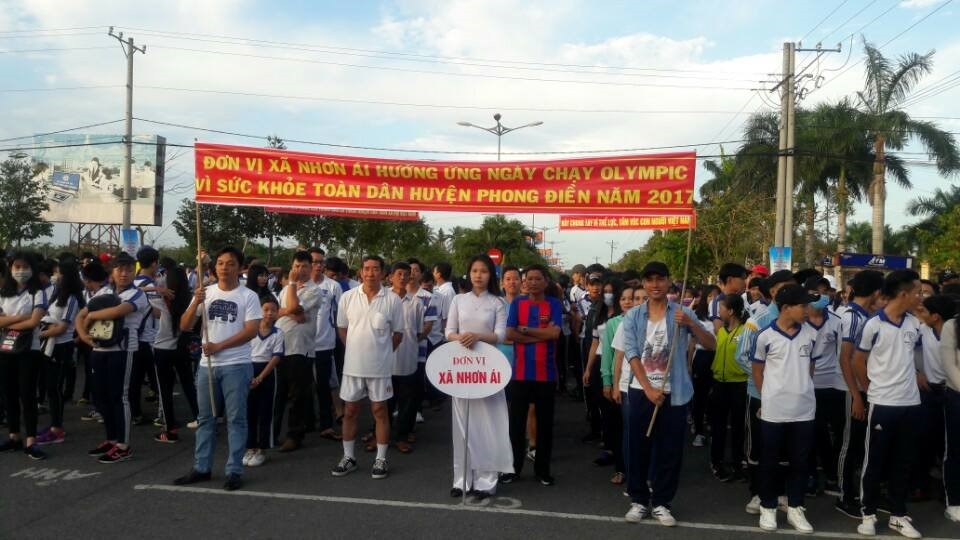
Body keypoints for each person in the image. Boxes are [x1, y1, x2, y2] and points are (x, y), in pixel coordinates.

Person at [621, 262, 715, 526]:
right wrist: (649, 390)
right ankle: (639, 500)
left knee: (670, 450)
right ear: (643, 283)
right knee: (638, 448)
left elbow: (712, 344)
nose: (655, 284)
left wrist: (691, 325)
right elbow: (632, 354)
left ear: (669, 281)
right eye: (649, 279)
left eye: (660, 279)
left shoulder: (682, 313)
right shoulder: (634, 316)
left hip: (675, 393)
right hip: (641, 391)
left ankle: (662, 502)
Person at [173, 246, 262, 491]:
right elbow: (184, 325)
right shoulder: (206, 292)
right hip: (207, 366)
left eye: (230, 263)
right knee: (205, 419)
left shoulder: (248, 296)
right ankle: (202, 467)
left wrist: (219, 345)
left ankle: (234, 470)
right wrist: (195, 304)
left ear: (240, 268)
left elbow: (251, 330)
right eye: (221, 263)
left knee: (236, 419)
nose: (224, 267)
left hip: (236, 365)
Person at [853, 269, 924, 538]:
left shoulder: (913, 323)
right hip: (883, 404)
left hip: (911, 403)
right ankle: (868, 513)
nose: (920, 296)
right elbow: (857, 360)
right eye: (916, 291)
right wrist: (871, 389)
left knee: (903, 461)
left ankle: (897, 514)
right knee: (875, 461)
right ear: (903, 294)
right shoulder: (874, 324)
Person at [751, 284, 819, 533]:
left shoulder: (811, 335)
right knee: (770, 460)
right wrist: (767, 396)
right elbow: (757, 370)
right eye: (803, 305)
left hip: (804, 410)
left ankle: (795, 507)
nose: (807, 310)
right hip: (774, 411)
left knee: (800, 462)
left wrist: (801, 389)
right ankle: (768, 507)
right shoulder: (765, 336)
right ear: (786, 308)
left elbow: (810, 367)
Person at [445, 255, 511, 498]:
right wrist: (460, 337)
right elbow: (449, 332)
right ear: (469, 273)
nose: (478, 275)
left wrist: (478, 336)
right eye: (474, 270)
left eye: (483, 271)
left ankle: (486, 480)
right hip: (462, 367)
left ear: (490, 275)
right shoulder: (458, 300)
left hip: (488, 368)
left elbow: (501, 335)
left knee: (487, 424)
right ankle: (461, 479)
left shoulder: (497, 302)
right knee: (461, 423)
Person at [332, 255, 404, 480]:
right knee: (350, 411)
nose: (370, 273)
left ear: (383, 273)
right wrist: (356, 350)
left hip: (380, 369)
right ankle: (349, 457)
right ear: (360, 272)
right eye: (366, 269)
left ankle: (381, 459)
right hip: (352, 367)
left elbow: (398, 335)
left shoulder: (393, 300)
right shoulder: (348, 297)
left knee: (380, 411)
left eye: (375, 269)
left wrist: (380, 353)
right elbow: (342, 329)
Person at [76, 252, 150, 464]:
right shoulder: (104, 291)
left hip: (123, 350)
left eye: (128, 269)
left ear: (134, 271)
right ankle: (111, 439)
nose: (124, 273)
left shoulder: (137, 295)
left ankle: (123, 445)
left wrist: (91, 315)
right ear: (112, 272)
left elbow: (118, 311)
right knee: (101, 397)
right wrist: (83, 335)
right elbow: (81, 316)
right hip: (99, 349)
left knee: (120, 397)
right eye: (119, 269)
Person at [737, 269, 798, 515]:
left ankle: (780, 493)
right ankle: (757, 493)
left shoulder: (799, 322)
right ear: (772, 292)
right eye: (786, 288)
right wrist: (769, 379)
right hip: (760, 395)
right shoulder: (758, 319)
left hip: (789, 399)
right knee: (758, 447)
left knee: (783, 447)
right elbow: (741, 355)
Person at [503, 264, 563, 486]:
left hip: (546, 374)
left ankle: (543, 471)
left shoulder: (554, 304)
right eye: (530, 279)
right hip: (520, 373)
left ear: (546, 282)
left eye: (538, 279)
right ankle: (512, 469)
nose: (533, 282)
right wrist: (542, 335)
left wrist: (526, 330)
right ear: (524, 281)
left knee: (545, 426)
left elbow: (555, 334)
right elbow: (509, 332)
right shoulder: (518, 303)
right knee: (515, 426)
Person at [832, 270, 885, 519]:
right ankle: (845, 496)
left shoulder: (866, 315)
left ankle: (863, 492)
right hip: (851, 389)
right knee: (849, 444)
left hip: (862, 388)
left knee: (862, 445)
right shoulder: (852, 316)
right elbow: (846, 358)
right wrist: (856, 395)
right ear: (876, 293)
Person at [0, 253, 49, 459]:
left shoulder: (38, 292)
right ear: (10, 269)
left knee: (27, 394)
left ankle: (31, 441)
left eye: (25, 266)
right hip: (6, 349)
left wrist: (8, 322)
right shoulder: (4, 292)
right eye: (16, 266)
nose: (20, 271)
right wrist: (23, 317)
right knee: (8, 393)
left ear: (33, 269)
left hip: (30, 350)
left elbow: (34, 322)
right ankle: (14, 436)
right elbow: (26, 320)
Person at [275, 251, 321, 452]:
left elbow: (294, 309)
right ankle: (273, 433)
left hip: (300, 349)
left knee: (297, 395)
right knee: (278, 394)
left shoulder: (315, 291)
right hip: (279, 346)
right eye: (296, 266)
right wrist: (291, 312)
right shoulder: (285, 290)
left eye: (303, 266)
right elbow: (273, 312)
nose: (299, 270)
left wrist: (292, 304)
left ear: (311, 268)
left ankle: (295, 435)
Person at [35, 261, 84, 446]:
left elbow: (62, 327)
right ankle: (54, 426)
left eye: (58, 273)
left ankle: (57, 429)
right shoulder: (57, 295)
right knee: (49, 387)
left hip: (61, 347)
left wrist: (39, 333)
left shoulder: (71, 298)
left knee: (55, 389)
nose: (55, 276)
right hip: (48, 345)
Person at [913, 295, 954, 502]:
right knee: (924, 440)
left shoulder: (954, 333)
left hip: (951, 393)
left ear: (936, 316)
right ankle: (921, 485)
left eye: (925, 312)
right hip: (929, 392)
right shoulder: (923, 331)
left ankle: (947, 490)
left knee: (947, 443)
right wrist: (917, 371)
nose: (921, 315)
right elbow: (906, 350)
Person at [152, 259, 199, 442]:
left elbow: (135, 291)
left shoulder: (160, 300)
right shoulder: (189, 301)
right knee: (188, 385)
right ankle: (200, 418)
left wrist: (157, 290)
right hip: (182, 347)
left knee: (165, 390)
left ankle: (170, 429)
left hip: (162, 349)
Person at [708, 293, 749, 483]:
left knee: (739, 426)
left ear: (731, 311)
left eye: (721, 309)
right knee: (718, 426)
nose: (718, 313)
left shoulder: (745, 331)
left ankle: (738, 463)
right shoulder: (721, 331)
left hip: (740, 385)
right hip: (719, 384)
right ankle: (716, 462)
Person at [600, 284, 634, 485]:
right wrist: (607, 382)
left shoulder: (645, 321)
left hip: (641, 383)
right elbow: (608, 355)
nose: (628, 302)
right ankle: (621, 469)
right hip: (619, 382)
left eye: (633, 298)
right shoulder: (613, 323)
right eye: (624, 299)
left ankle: (639, 470)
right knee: (620, 429)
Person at [387, 262, 423, 454]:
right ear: (390, 276)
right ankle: (381, 436)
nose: (403, 277)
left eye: (406, 274)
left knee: (407, 400)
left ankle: (402, 436)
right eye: (399, 273)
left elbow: (417, 331)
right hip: (386, 359)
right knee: (385, 401)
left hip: (408, 358)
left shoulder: (415, 302)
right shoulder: (382, 299)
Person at [245, 295, 284, 467]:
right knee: (249, 412)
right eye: (266, 309)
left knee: (265, 412)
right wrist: (249, 376)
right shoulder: (250, 330)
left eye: (273, 310)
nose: (269, 314)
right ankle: (250, 447)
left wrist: (260, 377)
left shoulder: (278, 333)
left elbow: (276, 357)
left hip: (267, 374)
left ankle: (262, 449)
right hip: (248, 370)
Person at [309, 248, 343, 441]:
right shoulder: (296, 285)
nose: (318, 265)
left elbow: (341, 316)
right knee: (302, 387)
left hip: (325, 344)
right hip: (301, 345)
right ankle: (304, 425)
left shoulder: (333, 286)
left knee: (324, 386)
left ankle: (326, 425)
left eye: (321, 262)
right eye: (314, 262)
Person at [130, 246, 162, 426]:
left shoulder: (131, 284)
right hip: (148, 338)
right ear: (154, 263)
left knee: (134, 379)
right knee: (158, 378)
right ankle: (163, 414)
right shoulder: (151, 287)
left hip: (132, 338)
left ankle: (135, 414)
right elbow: (158, 313)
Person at [691, 284, 720, 448]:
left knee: (715, 395)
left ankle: (711, 422)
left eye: (717, 297)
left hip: (718, 357)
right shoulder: (697, 316)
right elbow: (692, 342)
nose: (713, 300)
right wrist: (689, 362)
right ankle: (698, 430)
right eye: (710, 296)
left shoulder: (722, 317)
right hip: (702, 357)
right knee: (700, 395)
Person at [943, 299, 960, 522]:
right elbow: (949, 365)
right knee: (956, 451)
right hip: (957, 396)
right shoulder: (952, 326)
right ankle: (954, 502)